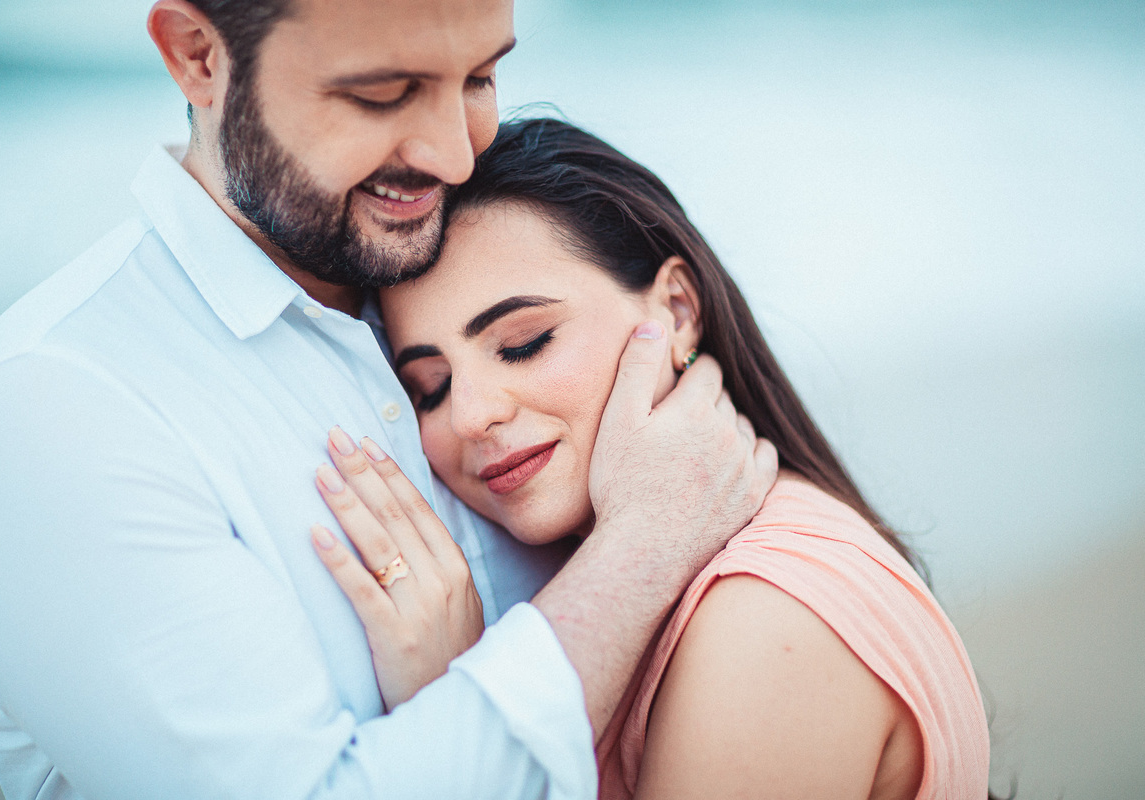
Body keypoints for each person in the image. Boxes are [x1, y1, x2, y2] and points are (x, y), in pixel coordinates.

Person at [0, 2, 778, 799]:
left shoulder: (466, 262)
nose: (456, 156)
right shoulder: (61, 403)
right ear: (198, 55)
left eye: (480, 79)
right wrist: (643, 550)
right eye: (383, 95)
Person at [308, 118, 992, 799]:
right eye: (430, 389)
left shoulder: (765, 620)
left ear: (677, 309)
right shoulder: (629, 589)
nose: (470, 415)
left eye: (524, 343)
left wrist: (453, 725)